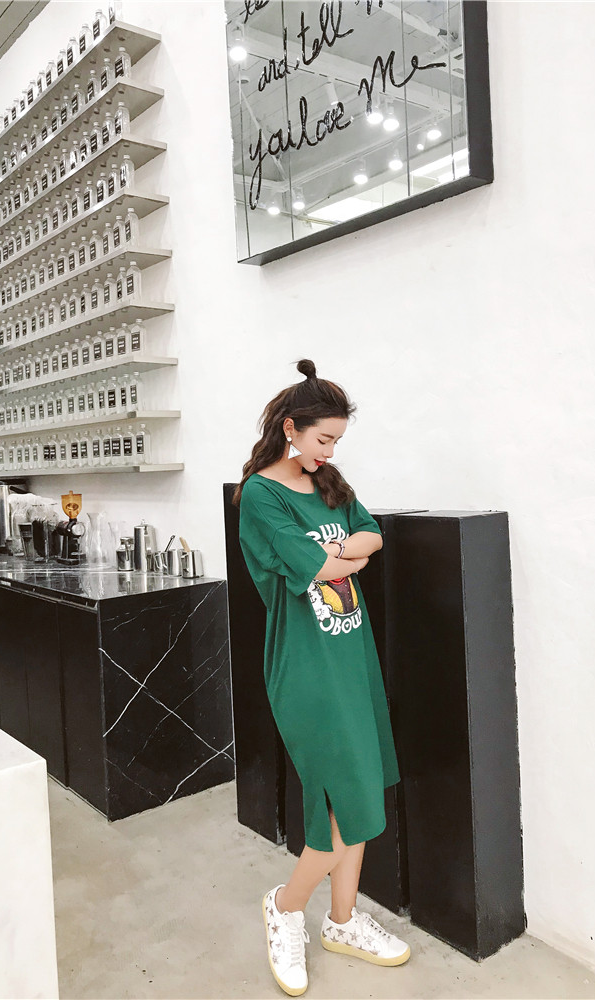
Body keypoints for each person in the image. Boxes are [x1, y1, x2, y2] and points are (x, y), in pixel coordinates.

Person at [233, 359, 410, 996]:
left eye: (336, 441)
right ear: (291, 429)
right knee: (335, 803)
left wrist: (338, 555)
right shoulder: (262, 496)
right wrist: (339, 558)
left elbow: (373, 536)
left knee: (358, 799)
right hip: (306, 668)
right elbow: (320, 569)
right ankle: (285, 908)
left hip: (352, 658)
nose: (330, 451)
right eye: (323, 439)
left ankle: (341, 921)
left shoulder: (328, 482)